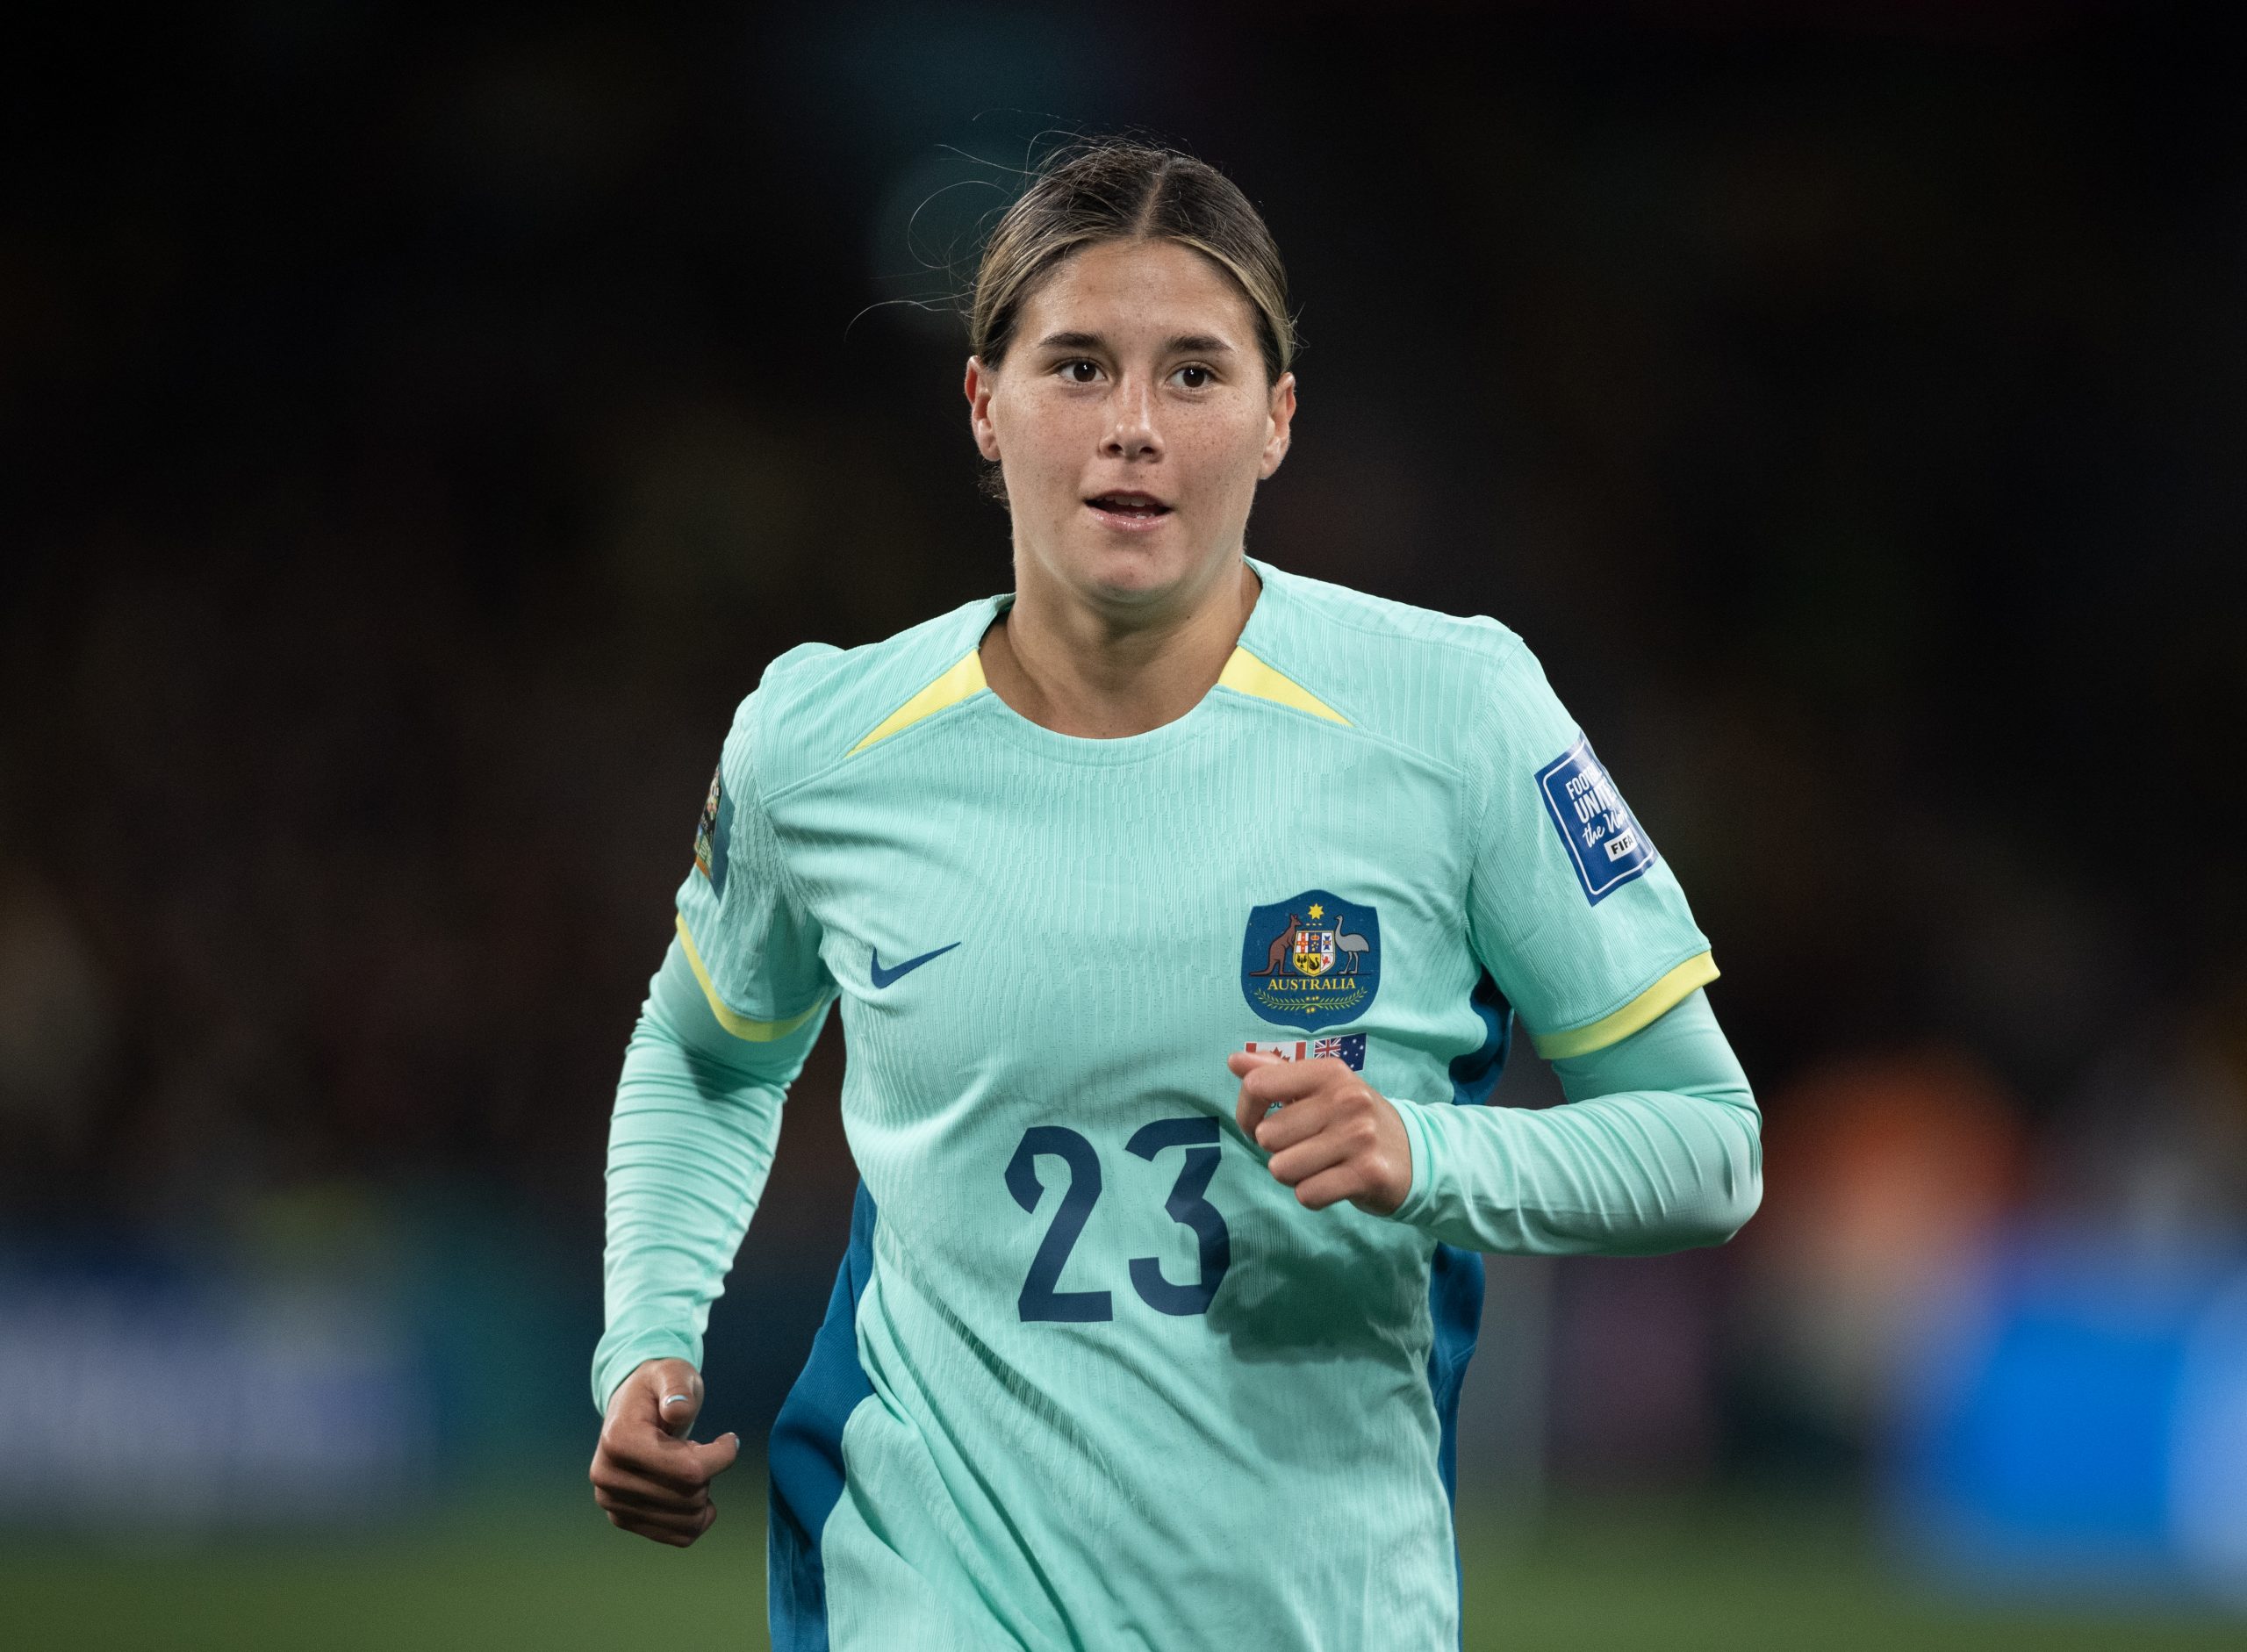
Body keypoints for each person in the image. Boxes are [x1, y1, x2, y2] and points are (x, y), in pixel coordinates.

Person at [587, 140, 1762, 1652]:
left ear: (1276, 421)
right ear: (983, 405)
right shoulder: (823, 743)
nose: (1133, 427)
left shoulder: (1453, 713)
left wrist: (1426, 1151)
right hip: (923, 1580)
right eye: (1077, 366)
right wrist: (648, 1334)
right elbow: (707, 1050)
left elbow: (1708, 1147)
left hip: (1318, 1603)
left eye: (1194, 375)